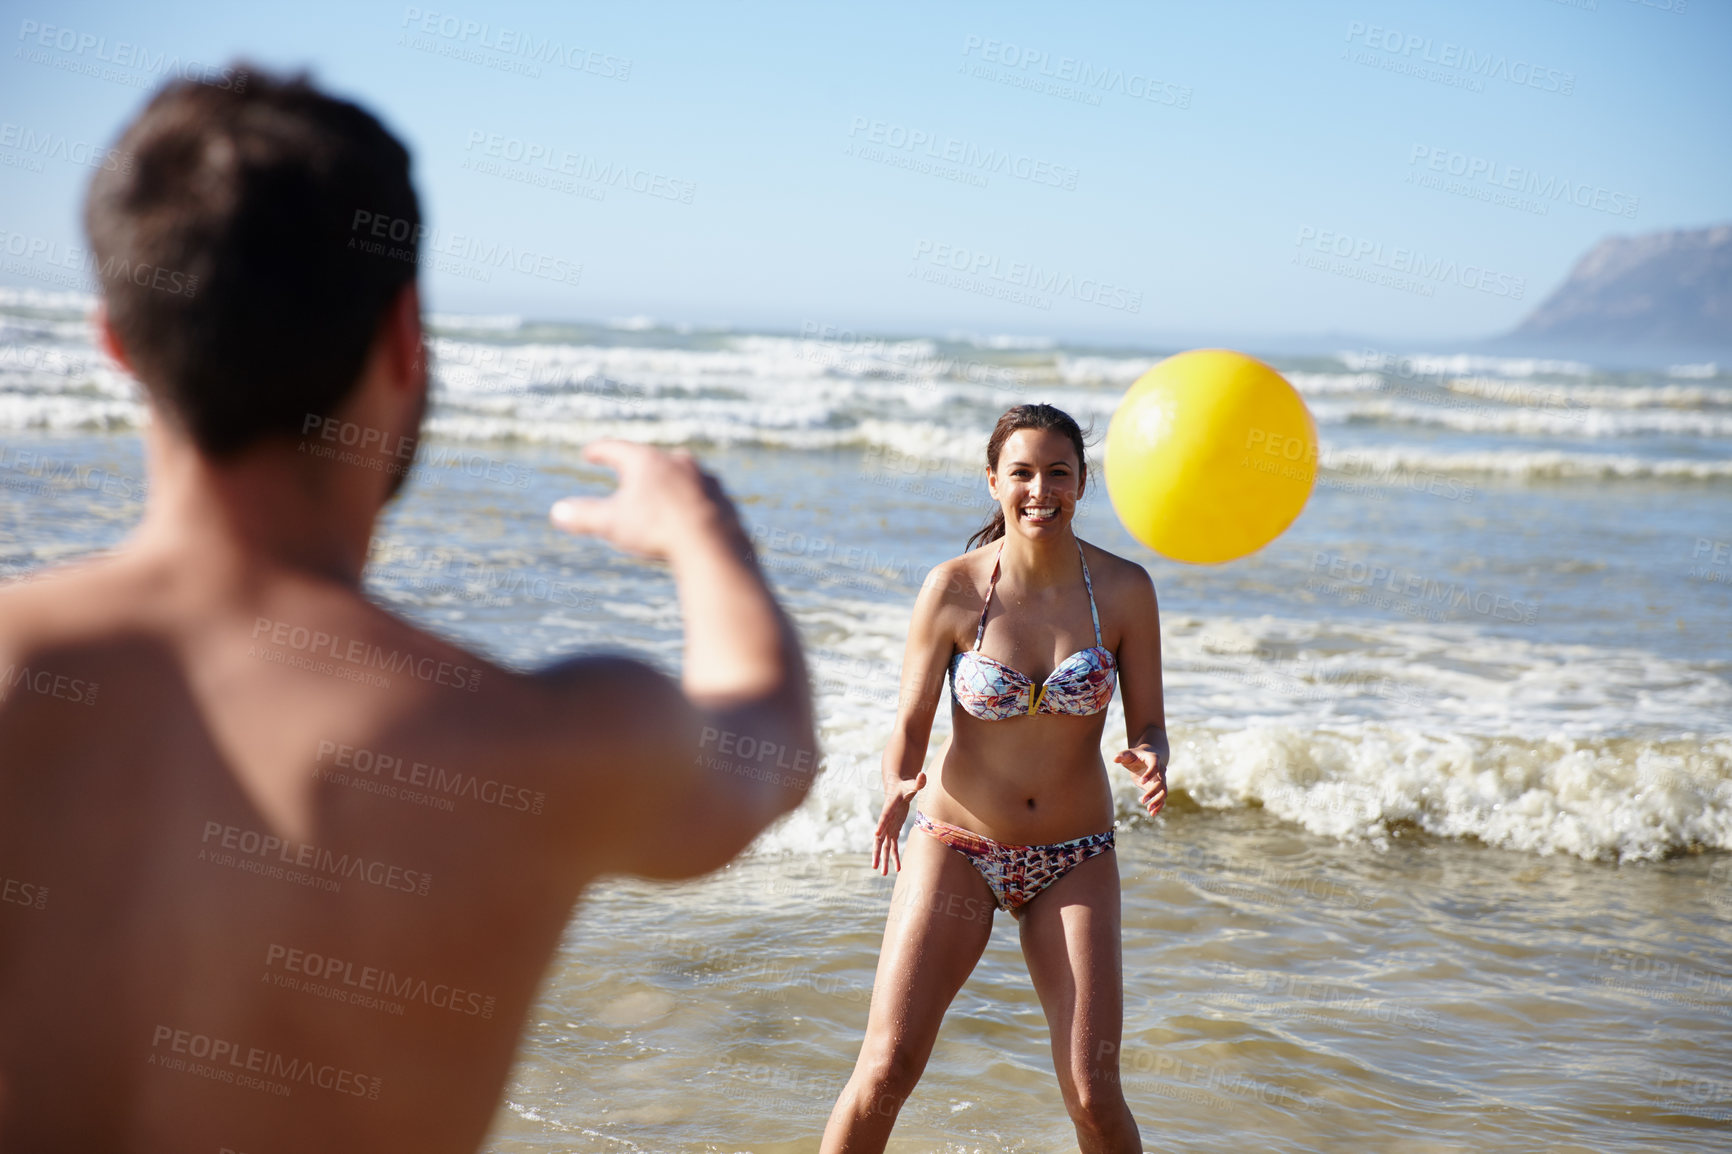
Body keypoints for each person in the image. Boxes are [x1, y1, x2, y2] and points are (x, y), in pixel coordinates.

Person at [0, 70, 814, 1152]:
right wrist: (704, 533)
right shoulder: (537, 740)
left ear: (118, 343)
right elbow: (766, 744)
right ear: (403, 338)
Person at [822, 404, 1169, 1153]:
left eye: (1058, 473)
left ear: (1083, 482)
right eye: (1021, 473)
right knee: (886, 1068)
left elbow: (1150, 722)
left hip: (1074, 854)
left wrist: (1152, 754)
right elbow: (910, 723)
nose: (1039, 490)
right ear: (993, 481)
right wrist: (895, 783)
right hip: (958, 842)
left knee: (1093, 1093)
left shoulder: (1125, 591)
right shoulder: (952, 589)